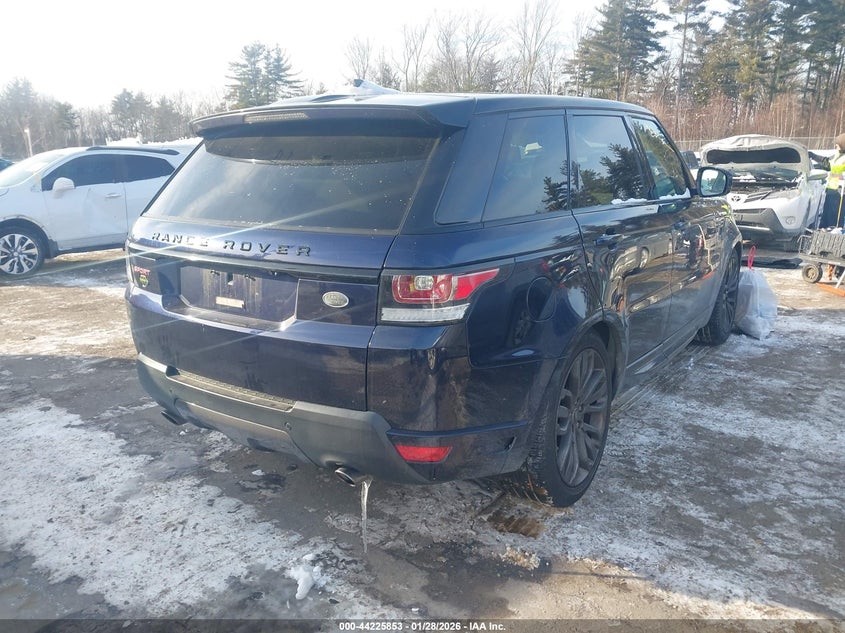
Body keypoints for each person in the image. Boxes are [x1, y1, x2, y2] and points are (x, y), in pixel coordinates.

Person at [818, 134, 845, 228]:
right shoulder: (838, 155)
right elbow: (827, 163)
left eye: (838, 144)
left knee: (835, 217)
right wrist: (813, 156)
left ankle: (834, 231)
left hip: (840, 191)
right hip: (831, 189)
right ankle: (823, 230)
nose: (836, 146)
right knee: (826, 214)